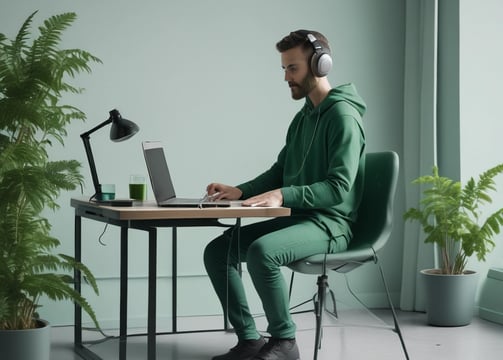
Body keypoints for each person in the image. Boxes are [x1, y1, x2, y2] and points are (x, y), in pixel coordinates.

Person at [203, 29, 366, 360]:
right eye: (284, 69)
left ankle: (285, 342)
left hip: (330, 225)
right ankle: (249, 340)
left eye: (293, 68)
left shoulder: (344, 117)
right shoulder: (302, 118)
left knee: (264, 251)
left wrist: (282, 195)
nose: (286, 78)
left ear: (320, 65)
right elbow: (279, 171)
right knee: (219, 250)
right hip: (299, 219)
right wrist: (241, 190)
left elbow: (338, 189)